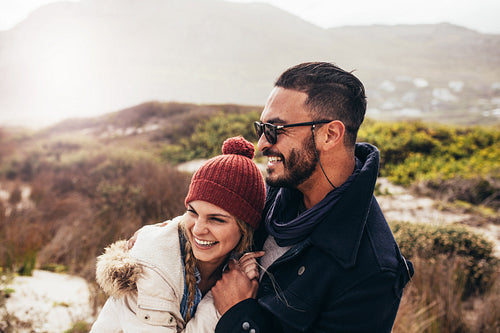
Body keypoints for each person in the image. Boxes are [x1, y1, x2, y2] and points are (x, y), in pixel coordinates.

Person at [211, 62, 414, 332]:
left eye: (276, 130)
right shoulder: (274, 190)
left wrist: (239, 316)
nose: (261, 144)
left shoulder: (372, 272)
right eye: (261, 128)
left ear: (330, 135)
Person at [90, 136, 266, 332]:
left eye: (216, 219)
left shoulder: (242, 266)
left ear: (245, 228)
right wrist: (219, 307)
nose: (198, 229)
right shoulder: (151, 268)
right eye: (193, 212)